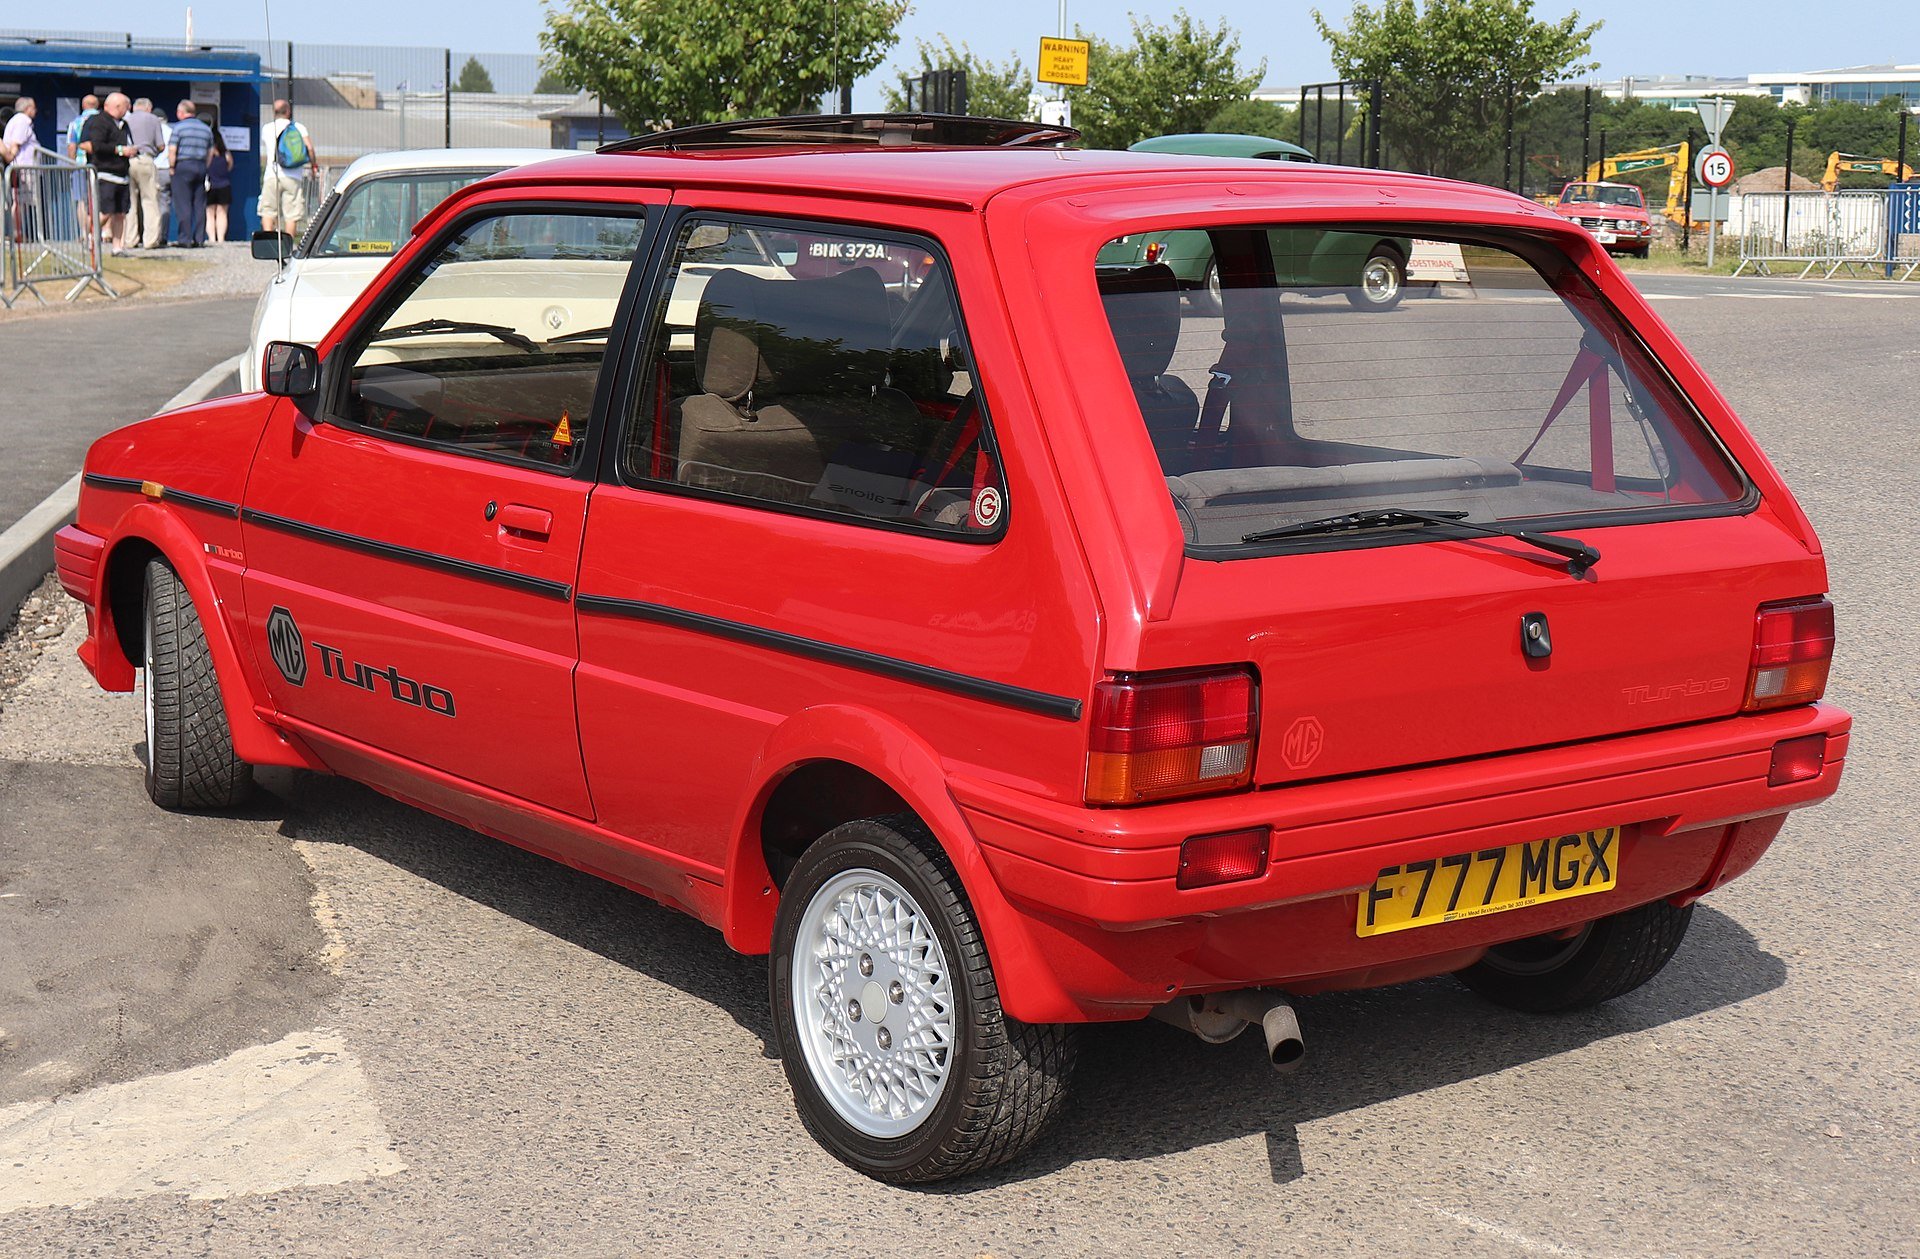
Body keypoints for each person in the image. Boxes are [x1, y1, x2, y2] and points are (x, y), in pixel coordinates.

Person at [81, 93, 136, 255]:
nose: (127, 110)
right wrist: (119, 150)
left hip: (122, 173)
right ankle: (91, 236)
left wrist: (131, 151)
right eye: (126, 107)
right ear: (117, 106)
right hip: (104, 172)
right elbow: (96, 146)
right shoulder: (98, 122)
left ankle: (117, 247)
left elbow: (127, 143)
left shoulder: (124, 125)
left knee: (120, 213)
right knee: (105, 211)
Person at [259, 99, 312, 238]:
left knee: (268, 210)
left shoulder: (267, 128)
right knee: (291, 214)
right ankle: (287, 247)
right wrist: (314, 165)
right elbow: (310, 148)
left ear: (274, 112)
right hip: (293, 175)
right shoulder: (299, 127)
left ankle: (269, 245)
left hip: (272, 174)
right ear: (288, 111)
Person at [166, 100, 214, 248]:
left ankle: (184, 239)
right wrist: (205, 166)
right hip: (200, 166)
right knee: (199, 204)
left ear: (181, 112)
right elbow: (210, 152)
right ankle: (199, 238)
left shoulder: (179, 128)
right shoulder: (206, 129)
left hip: (183, 165)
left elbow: (172, 149)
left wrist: (172, 166)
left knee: (183, 204)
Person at [123, 97, 167, 249]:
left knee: (130, 202)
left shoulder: (125, 119)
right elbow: (161, 145)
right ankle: (150, 240)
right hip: (146, 160)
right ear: (148, 108)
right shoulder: (153, 119)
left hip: (127, 160)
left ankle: (130, 239)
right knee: (150, 201)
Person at [67, 93, 99, 241]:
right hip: (100, 164)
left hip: (80, 164)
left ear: (83, 105)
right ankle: (99, 232)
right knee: (99, 199)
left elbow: (72, 146)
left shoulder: (75, 123)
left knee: (82, 200)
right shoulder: (104, 120)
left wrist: (71, 163)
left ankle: (84, 233)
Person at [204, 125, 234, 243]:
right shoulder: (226, 154)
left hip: (210, 186)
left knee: (210, 214)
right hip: (224, 185)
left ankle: (212, 238)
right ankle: (221, 239)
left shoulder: (208, 154)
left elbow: (205, 167)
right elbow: (230, 167)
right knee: (222, 213)